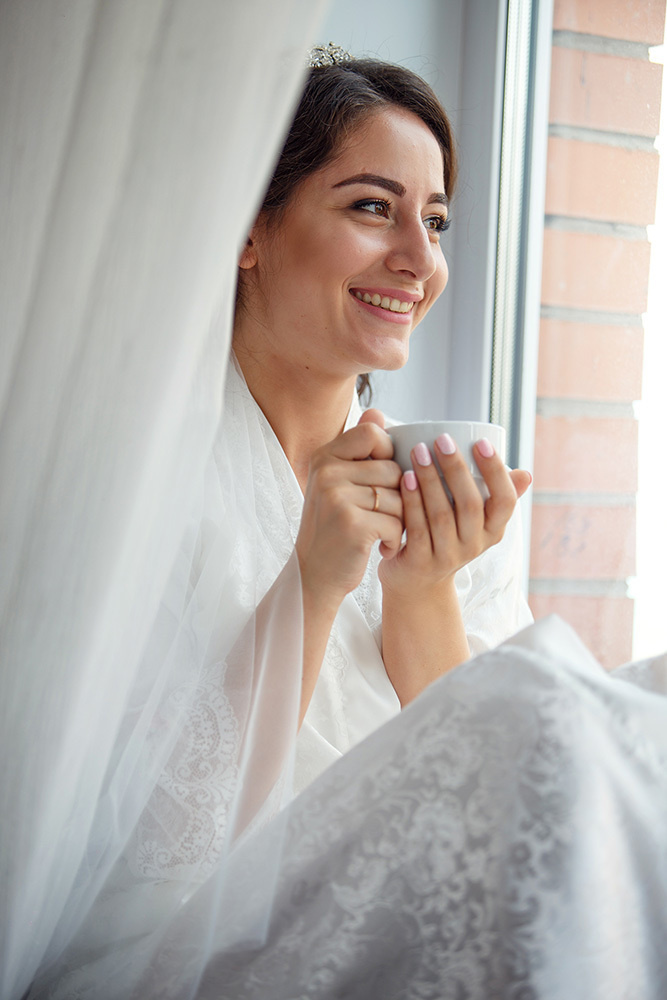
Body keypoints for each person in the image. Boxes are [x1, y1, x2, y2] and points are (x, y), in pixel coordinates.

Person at [30, 49, 667, 1000]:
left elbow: (506, 818)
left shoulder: (441, 481)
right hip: (189, 945)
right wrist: (312, 585)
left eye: (437, 221)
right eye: (373, 207)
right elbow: (138, 853)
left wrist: (422, 590)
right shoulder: (131, 488)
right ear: (248, 227)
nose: (420, 258)